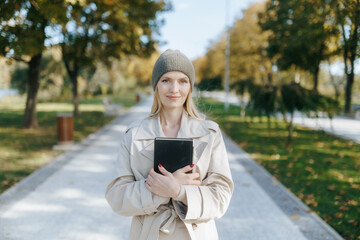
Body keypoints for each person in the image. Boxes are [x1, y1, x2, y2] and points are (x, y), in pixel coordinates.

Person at [105, 49, 233, 240]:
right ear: (156, 85)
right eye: (166, 80)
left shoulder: (210, 133)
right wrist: (160, 191)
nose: (174, 89)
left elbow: (221, 197)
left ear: (190, 86)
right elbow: (117, 197)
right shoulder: (134, 135)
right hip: (148, 234)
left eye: (183, 81)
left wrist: (178, 191)